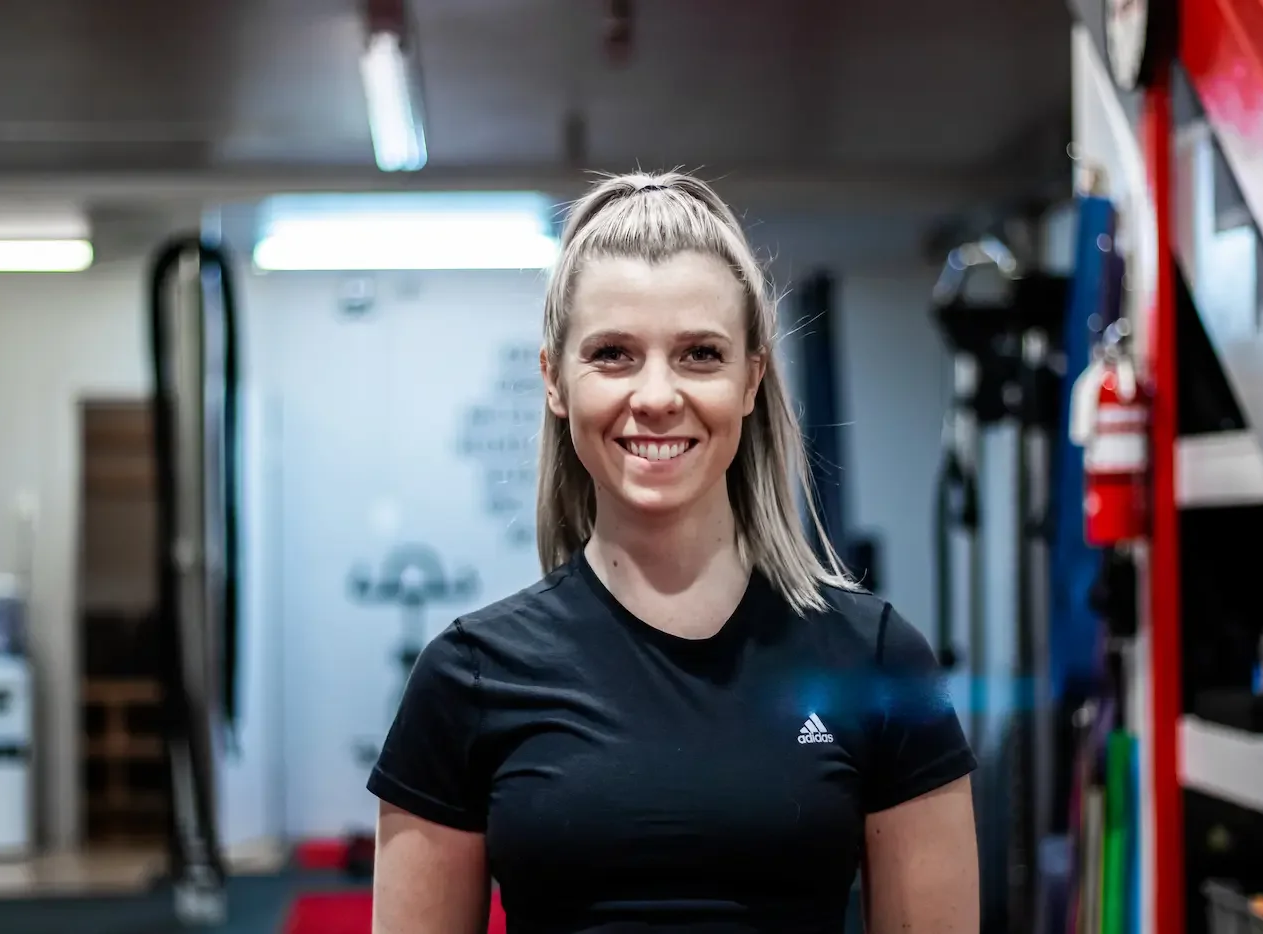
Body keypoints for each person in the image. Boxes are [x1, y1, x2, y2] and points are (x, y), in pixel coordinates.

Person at [367, 171, 980, 934]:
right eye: (614, 354)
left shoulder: (877, 661)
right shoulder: (469, 677)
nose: (657, 395)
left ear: (752, 379)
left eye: (698, 354)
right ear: (555, 380)